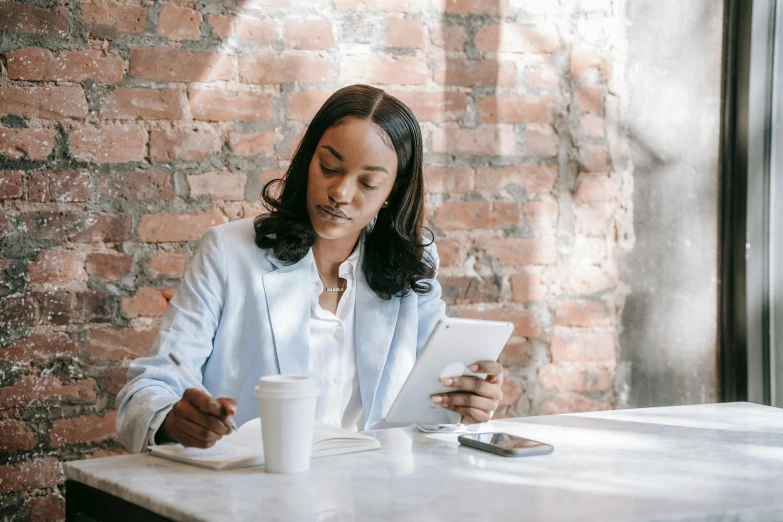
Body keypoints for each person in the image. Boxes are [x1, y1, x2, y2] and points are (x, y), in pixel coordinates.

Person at [116, 84, 504, 453]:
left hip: (375, 495)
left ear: (392, 194)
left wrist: (463, 403)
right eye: (330, 167)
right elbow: (148, 388)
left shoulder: (411, 267)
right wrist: (171, 419)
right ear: (308, 161)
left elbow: (428, 412)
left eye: (368, 183)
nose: (341, 193)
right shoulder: (228, 252)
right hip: (255, 492)